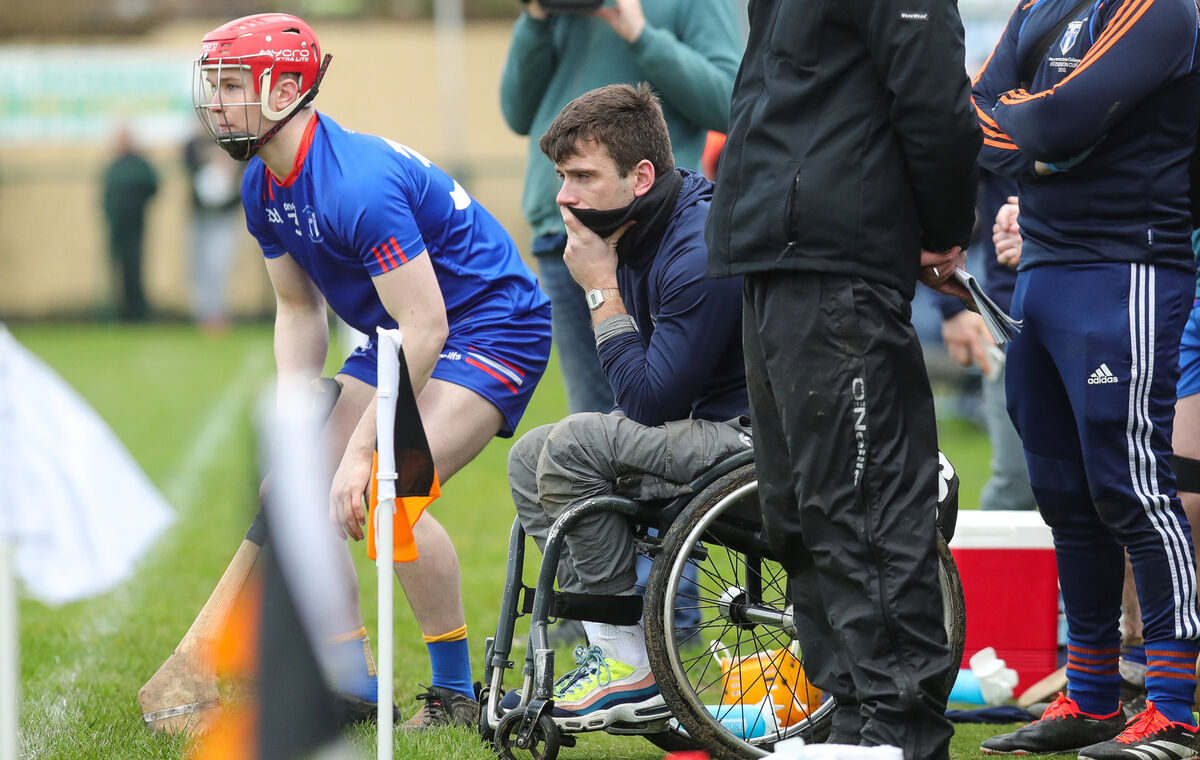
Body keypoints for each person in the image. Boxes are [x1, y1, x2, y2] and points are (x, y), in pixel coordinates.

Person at [191, 13, 551, 730]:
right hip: (402, 331)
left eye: (233, 85)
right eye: (215, 86)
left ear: (287, 88)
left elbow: (430, 327)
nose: (217, 104)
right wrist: (301, 432)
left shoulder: (357, 186)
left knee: (390, 492)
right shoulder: (264, 184)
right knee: (303, 491)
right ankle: (348, 679)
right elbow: (298, 311)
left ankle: (454, 694)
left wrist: (363, 449)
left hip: (487, 327)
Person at [705, 0, 982, 756]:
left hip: (837, 259)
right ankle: (854, 725)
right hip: (774, 251)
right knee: (797, 516)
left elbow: (935, 107)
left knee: (862, 513)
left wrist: (941, 230)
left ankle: (899, 732)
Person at [971, 0, 1200, 755]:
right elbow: (979, 111)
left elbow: (1056, 124)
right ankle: (1094, 694)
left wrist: (1042, 132)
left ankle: (1173, 704)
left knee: (1131, 486)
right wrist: (1043, 132)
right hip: (1041, 269)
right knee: (1064, 495)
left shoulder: (1160, 9)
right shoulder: (1044, 4)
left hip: (1123, 267)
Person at [504, 83, 748, 719]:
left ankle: (630, 665)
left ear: (641, 176)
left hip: (754, 440)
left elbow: (645, 402)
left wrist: (600, 290)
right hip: (698, 426)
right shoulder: (637, 225)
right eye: (561, 176)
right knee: (530, 456)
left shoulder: (697, 248)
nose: (564, 195)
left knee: (578, 442)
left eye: (583, 176)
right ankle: (608, 650)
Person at [499, 0, 741, 417]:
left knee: (640, 412)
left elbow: (731, 101)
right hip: (561, 236)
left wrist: (639, 33)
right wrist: (537, 16)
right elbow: (517, 112)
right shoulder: (555, 14)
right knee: (591, 420)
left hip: (655, 230)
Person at [936, 170, 1035, 512]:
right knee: (1016, 488)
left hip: (1113, 313)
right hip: (1012, 321)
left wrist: (1053, 232)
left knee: (1110, 487)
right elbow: (942, 179)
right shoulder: (992, 117)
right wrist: (952, 304)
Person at [183, 128, 245, 333]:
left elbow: (244, 164)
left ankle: (217, 313)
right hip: (201, 217)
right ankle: (204, 314)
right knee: (200, 266)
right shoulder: (194, 144)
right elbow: (188, 163)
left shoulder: (237, 139)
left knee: (219, 265)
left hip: (224, 216)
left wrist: (230, 165)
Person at [101, 124, 158, 321]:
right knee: (117, 267)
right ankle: (119, 311)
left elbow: (153, 187)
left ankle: (137, 311)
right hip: (116, 226)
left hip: (135, 225)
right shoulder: (114, 165)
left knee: (134, 267)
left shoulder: (140, 164)